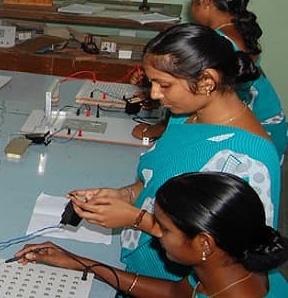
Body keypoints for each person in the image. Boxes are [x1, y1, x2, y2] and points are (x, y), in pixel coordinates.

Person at [67, 23, 281, 281]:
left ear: (206, 82)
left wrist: (137, 219)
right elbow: (154, 180)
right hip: (141, 262)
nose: (155, 94)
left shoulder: (247, 159)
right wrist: (124, 194)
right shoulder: (185, 117)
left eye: (164, 85)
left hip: (178, 284)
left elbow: (229, 255)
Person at [16, 172, 288, 297]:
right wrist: (78, 262)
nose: (155, 232)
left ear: (204, 242)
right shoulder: (231, 266)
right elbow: (173, 292)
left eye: (164, 228)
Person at [132, 0, 286, 159]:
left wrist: (155, 129)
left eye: (193, 4)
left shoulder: (220, 42)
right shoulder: (238, 31)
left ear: (204, 1)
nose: (193, 10)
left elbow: (197, 100)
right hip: (268, 123)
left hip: (253, 136)